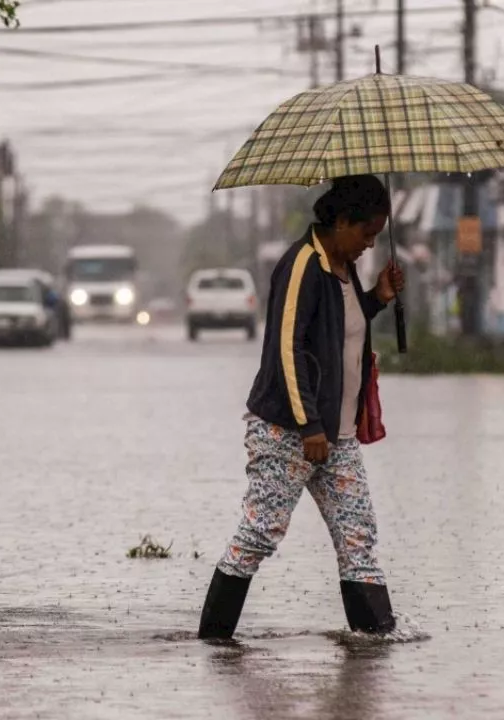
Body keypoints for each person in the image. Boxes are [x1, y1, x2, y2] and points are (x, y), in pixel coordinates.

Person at [198, 174, 406, 639]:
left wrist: (377, 299)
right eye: (365, 233)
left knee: (359, 540)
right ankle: (213, 643)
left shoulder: (344, 268)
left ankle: (375, 646)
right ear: (340, 221)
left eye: (376, 236)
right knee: (259, 534)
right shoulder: (302, 265)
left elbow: (337, 332)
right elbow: (286, 349)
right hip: (287, 432)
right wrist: (309, 425)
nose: (369, 246)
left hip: (338, 437)